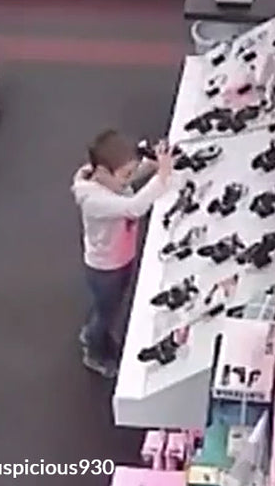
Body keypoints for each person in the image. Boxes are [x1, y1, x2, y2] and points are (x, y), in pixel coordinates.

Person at [72, 130, 174, 378]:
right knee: (107, 313)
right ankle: (94, 353)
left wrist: (150, 165)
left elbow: (125, 182)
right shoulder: (93, 200)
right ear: (103, 171)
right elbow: (134, 207)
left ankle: (93, 332)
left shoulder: (107, 180)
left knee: (107, 306)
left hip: (120, 258)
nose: (129, 179)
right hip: (106, 267)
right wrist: (162, 176)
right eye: (126, 173)